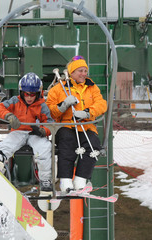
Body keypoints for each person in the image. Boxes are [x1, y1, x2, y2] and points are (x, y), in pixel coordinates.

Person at [46, 55, 107, 193]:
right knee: (67, 144)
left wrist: (87, 112)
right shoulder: (58, 89)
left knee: (93, 146)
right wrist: (63, 105)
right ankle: (65, 181)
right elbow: (50, 111)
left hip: (86, 125)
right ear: (71, 72)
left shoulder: (91, 87)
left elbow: (101, 104)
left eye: (85, 71)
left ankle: (80, 180)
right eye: (80, 71)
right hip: (66, 125)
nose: (84, 74)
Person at [0, 72, 54, 192]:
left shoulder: (42, 106)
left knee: (44, 147)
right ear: (21, 93)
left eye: (32, 94)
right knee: (9, 142)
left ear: (38, 94)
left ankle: (45, 179)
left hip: (34, 134)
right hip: (18, 131)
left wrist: (42, 131)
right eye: (26, 94)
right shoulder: (15, 101)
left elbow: (50, 123)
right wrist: (9, 116)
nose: (29, 97)